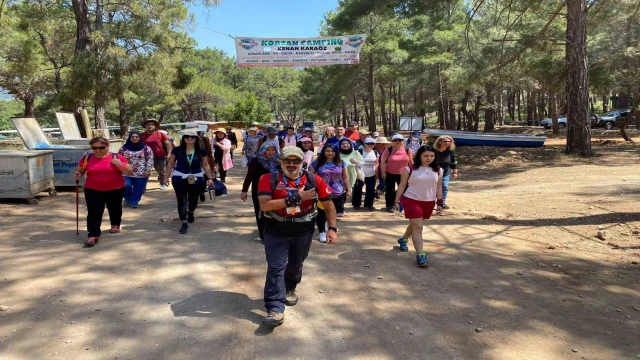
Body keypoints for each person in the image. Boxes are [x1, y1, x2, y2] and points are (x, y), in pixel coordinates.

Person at [258, 147, 338, 327]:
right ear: (280, 161)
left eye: (296, 161)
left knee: (296, 263)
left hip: (304, 229)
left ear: (303, 162)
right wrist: (296, 198)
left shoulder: (313, 179)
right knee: (276, 267)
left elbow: (329, 204)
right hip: (276, 229)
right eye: (287, 161)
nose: (292, 164)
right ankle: (275, 308)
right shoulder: (268, 179)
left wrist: (332, 228)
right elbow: (264, 206)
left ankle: (290, 287)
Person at [73, 137, 134, 247]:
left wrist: (120, 164)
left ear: (107, 146)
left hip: (115, 188)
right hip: (93, 189)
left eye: (101, 147)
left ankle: (115, 224)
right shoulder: (87, 158)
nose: (98, 150)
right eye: (94, 148)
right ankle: (93, 235)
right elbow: (80, 169)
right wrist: (78, 173)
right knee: (94, 211)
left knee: (115, 208)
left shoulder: (117, 157)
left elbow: (129, 172)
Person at [394, 145, 443, 267]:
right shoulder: (409, 169)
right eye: (425, 156)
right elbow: (402, 185)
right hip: (411, 199)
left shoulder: (438, 170)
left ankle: (403, 239)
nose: (429, 158)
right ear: (419, 156)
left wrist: (440, 202)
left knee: (415, 224)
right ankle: (421, 255)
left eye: (432, 156)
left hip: (428, 201)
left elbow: (439, 187)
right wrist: (396, 201)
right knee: (418, 227)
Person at [165, 129, 215, 234]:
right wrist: (166, 177)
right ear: (183, 139)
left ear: (196, 139)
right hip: (180, 177)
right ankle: (184, 223)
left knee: (193, 198)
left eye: (192, 137)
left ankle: (191, 211)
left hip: (195, 177)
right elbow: (170, 163)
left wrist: (210, 178)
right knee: (182, 200)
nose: (190, 138)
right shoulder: (177, 150)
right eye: (187, 136)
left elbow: (205, 165)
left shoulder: (201, 151)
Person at [309, 143, 350, 237]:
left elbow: (346, 177)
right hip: (322, 192)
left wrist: (349, 189)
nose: (330, 153)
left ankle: (330, 227)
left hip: (338, 192)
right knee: (322, 213)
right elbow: (310, 176)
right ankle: (322, 232)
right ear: (324, 151)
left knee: (333, 211)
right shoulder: (317, 162)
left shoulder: (342, 162)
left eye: (332, 151)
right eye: (327, 151)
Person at [241, 143, 279, 241]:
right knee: (261, 212)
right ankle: (263, 235)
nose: (271, 152)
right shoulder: (256, 161)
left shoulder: (278, 161)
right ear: (263, 150)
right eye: (268, 150)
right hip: (259, 191)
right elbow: (249, 176)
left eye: (273, 150)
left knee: (274, 211)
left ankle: (273, 233)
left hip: (275, 190)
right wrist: (244, 191)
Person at [118, 131, 154, 208]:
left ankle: (134, 202)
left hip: (141, 172)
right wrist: (119, 168)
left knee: (138, 189)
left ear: (140, 138)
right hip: (126, 172)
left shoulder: (146, 148)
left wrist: (148, 170)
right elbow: (118, 158)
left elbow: (150, 159)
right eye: (133, 137)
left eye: (137, 137)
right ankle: (127, 199)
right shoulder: (123, 148)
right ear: (130, 138)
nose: (135, 138)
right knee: (126, 186)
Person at [381, 134, 413, 212]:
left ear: (403, 141)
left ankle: (402, 204)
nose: (398, 142)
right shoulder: (388, 150)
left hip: (404, 174)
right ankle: (390, 205)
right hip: (390, 173)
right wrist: (383, 173)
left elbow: (411, 162)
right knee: (389, 190)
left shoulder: (407, 150)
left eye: (400, 140)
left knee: (404, 189)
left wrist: (412, 172)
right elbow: (383, 162)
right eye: (395, 140)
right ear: (392, 141)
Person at [141, 119, 172, 190]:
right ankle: (143, 186)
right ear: (145, 126)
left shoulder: (160, 134)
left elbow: (168, 144)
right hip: (146, 156)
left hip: (159, 156)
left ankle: (164, 183)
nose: (150, 126)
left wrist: (169, 154)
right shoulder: (142, 135)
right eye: (148, 125)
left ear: (155, 126)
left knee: (161, 170)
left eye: (152, 125)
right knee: (145, 170)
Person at [352, 137, 379, 210]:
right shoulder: (359, 152)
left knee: (370, 190)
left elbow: (376, 163)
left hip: (371, 174)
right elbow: (353, 161)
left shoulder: (375, 152)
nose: (370, 145)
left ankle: (369, 205)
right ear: (364, 144)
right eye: (368, 144)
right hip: (360, 174)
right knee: (358, 189)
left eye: (372, 144)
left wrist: (376, 172)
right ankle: (356, 204)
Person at [338, 138, 364, 212]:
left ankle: (356, 204)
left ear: (350, 145)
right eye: (343, 144)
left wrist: (357, 161)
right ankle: (340, 208)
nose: (345, 145)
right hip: (342, 175)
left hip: (355, 175)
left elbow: (363, 163)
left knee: (357, 190)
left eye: (347, 144)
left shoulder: (356, 153)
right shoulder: (337, 154)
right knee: (342, 192)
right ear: (340, 145)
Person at [434, 135, 458, 211]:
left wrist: (455, 172)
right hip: (434, 172)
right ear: (440, 142)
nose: (447, 143)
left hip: (446, 172)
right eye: (445, 141)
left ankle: (442, 203)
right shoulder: (433, 150)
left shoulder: (451, 151)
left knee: (444, 186)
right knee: (433, 188)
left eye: (449, 141)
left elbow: (453, 161)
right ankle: (430, 202)